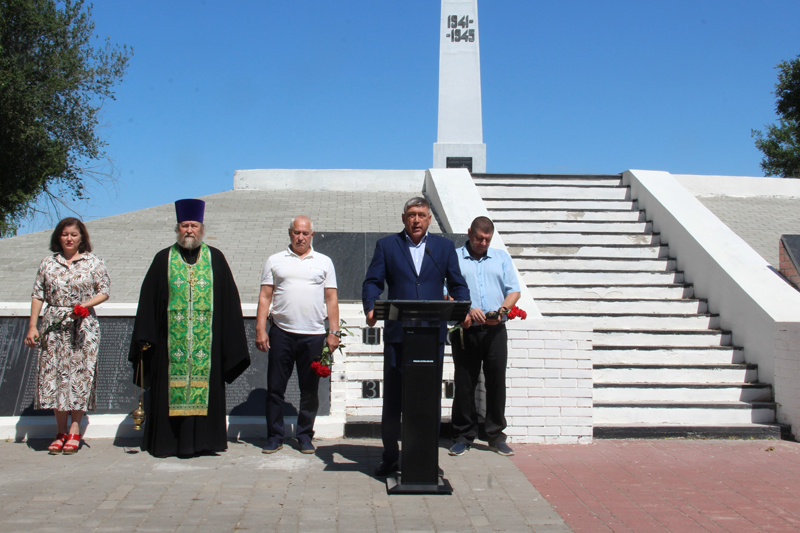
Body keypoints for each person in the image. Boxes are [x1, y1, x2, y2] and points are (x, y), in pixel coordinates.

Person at [128, 199, 250, 458]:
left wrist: (231, 343)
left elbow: (229, 303)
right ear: (178, 228)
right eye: (185, 225)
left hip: (208, 349)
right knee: (167, 391)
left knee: (206, 388)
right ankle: (167, 443)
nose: (189, 230)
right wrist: (145, 337)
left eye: (194, 225)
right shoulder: (163, 259)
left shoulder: (215, 258)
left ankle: (205, 443)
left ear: (201, 228)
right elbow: (148, 301)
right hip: (169, 348)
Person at [362, 197, 470, 476]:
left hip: (430, 336)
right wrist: (371, 306)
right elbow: (373, 282)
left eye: (421, 215)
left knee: (428, 399)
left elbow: (458, 284)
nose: (416, 220)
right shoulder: (387, 246)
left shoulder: (443, 248)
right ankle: (390, 457)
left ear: (430, 219)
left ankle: (425, 458)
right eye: (411, 215)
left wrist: (463, 310)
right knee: (394, 400)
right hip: (399, 336)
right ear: (403, 218)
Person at [24, 218, 111, 455]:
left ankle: (74, 430)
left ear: (82, 237)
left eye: (74, 234)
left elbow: (104, 291)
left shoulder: (94, 262)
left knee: (79, 377)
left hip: (82, 326)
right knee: (55, 378)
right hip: (54, 324)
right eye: (64, 234)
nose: (69, 239)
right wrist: (33, 326)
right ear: (58, 237)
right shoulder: (48, 263)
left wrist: (84, 306)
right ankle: (60, 431)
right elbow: (37, 295)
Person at [256, 215, 340, 455]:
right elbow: (265, 296)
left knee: (309, 390)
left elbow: (331, 298)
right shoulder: (275, 261)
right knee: (275, 388)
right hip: (281, 333)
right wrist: (261, 329)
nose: (300, 237)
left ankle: (304, 436)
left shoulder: (324, 262)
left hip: (313, 335)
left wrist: (333, 333)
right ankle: (274, 436)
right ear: (290, 233)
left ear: (312, 235)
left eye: (305, 233)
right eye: (296, 232)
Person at [449, 216, 521, 457]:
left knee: (496, 382)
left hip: (495, 329)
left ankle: (495, 435)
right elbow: (445, 292)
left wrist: (500, 313)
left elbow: (513, 291)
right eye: (479, 238)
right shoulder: (455, 257)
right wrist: (465, 310)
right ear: (469, 233)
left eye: (487, 239)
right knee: (465, 382)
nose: (482, 243)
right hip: (466, 328)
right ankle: (462, 435)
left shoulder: (501, 257)